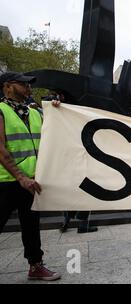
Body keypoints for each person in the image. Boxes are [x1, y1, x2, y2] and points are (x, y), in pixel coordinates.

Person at [0, 71, 61, 281]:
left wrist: (57, 112)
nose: (29, 88)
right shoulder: (0, 110)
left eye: (29, 85)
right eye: (23, 84)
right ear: (7, 86)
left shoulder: (34, 113)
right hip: (6, 181)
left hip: (32, 181)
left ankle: (36, 266)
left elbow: (53, 133)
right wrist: (20, 176)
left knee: (31, 227)